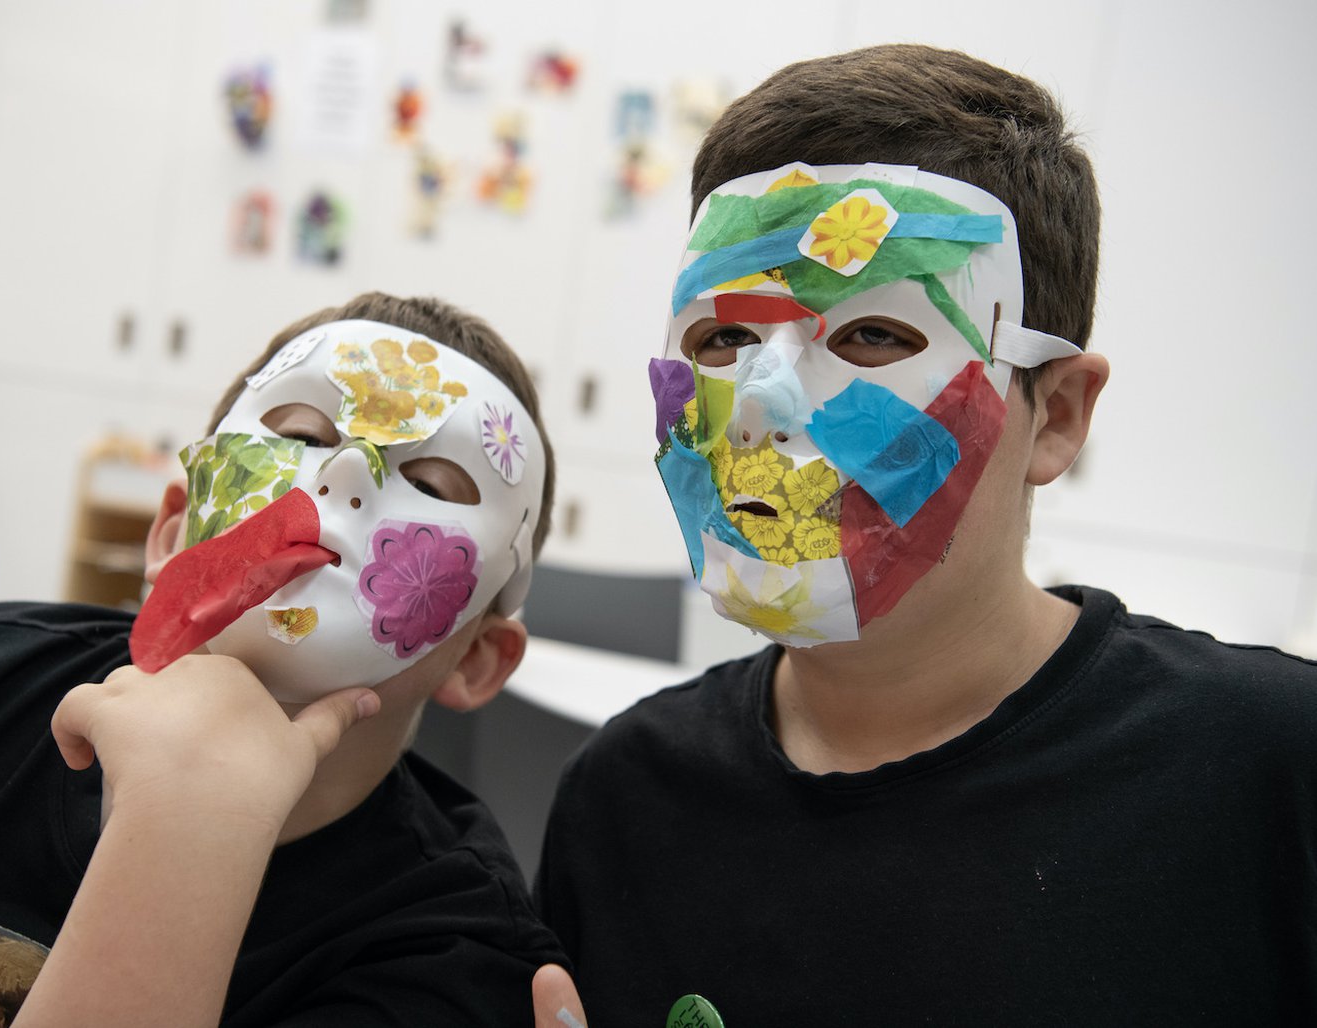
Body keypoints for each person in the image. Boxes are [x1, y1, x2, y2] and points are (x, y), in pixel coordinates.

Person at [533, 44, 1317, 1025]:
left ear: (1059, 412)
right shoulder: (621, 797)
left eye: (871, 335)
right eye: (720, 338)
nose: (759, 404)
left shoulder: (1270, 772)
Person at [0, 291, 572, 1026]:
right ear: (168, 536)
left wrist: (192, 813)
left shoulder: (455, 962)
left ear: (478, 660)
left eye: (431, 483)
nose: (345, 478)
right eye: (301, 433)